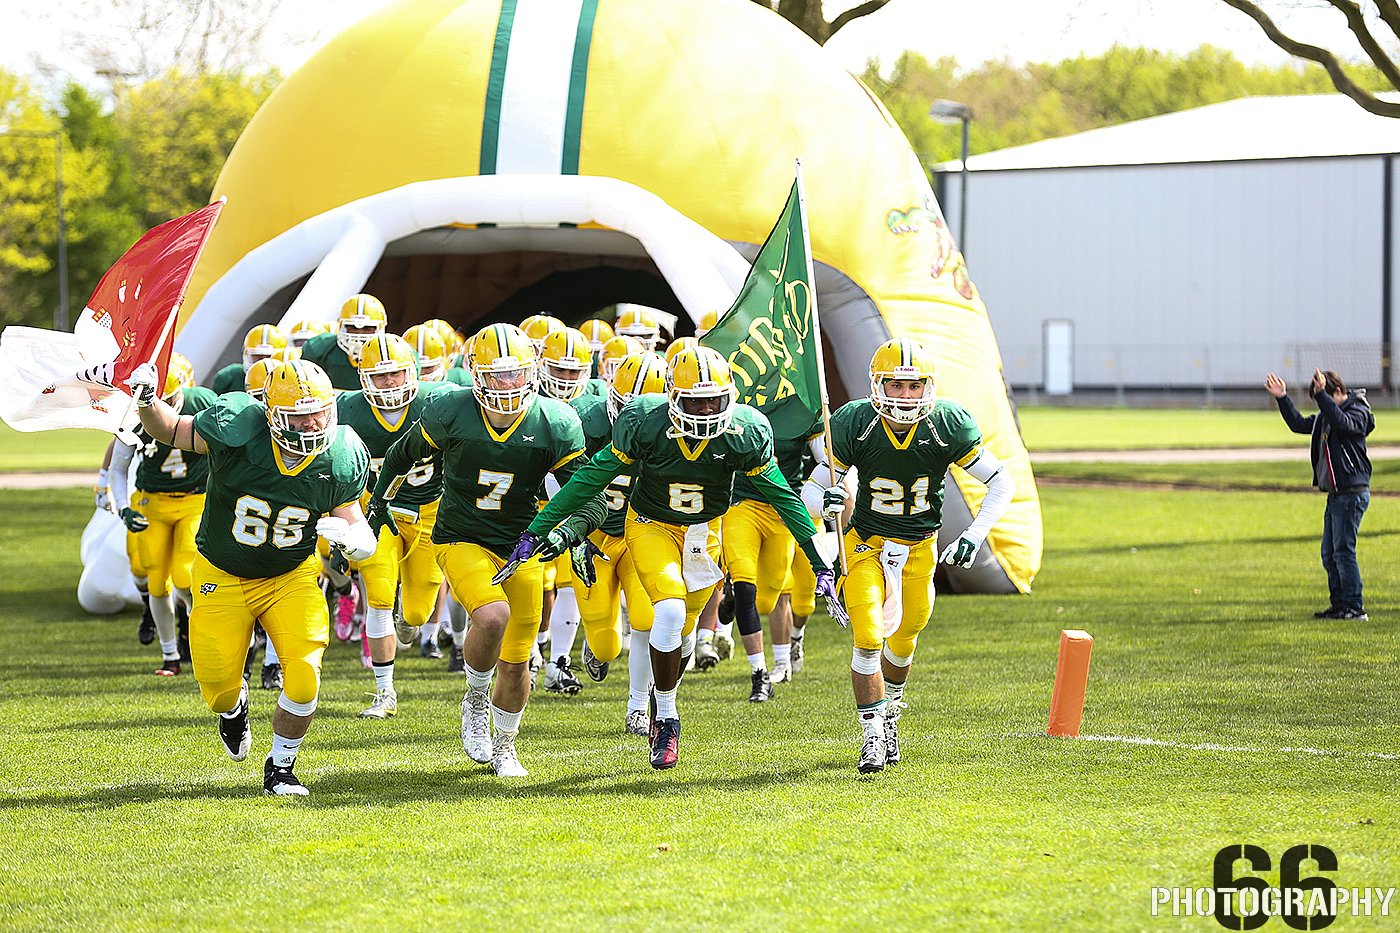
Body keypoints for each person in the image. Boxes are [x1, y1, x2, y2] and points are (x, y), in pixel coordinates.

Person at [506, 345, 843, 770]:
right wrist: (539, 528)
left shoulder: (747, 431)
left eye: (713, 400)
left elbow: (784, 499)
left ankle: (660, 699)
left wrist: (820, 562)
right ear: (671, 397)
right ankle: (666, 718)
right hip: (651, 526)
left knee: (682, 637)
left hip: (705, 533)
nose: (705, 411)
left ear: (729, 397)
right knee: (666, 612)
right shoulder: (645, 421)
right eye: (694, 401)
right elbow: (590, 478)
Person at [366, 323, 604, 778]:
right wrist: (380, 502)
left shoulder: (555, 422)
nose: (509, 385)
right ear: (476, 374)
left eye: (517, 373)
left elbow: (590, 498)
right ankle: (475, 699)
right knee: (493, 616)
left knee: (517, 663)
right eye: (497, 375)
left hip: (522, 544)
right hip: (461, 536)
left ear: (532, 372)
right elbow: (400, 455)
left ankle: (506, 745)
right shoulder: (451, 410)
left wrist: (568, 534)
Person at [126, 357, 373, 796]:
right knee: (218, 689)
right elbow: (171, 430)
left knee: (304, 677)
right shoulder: (240, 427)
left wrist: (356, 544)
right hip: (223, 573)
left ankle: (281, 766)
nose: (313, 424)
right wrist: (147, 402)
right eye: (299, 416)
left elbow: (356, 524)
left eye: (320, 412)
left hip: (290, 576)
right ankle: (233, 707)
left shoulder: (340, 453)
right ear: (272, 415)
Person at [822, 338, 1013, 774]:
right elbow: (814, 488)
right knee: (869, 637)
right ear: (878, 385)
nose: (906, 395)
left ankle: (890, 714)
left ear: (929, 386)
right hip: (866, 546)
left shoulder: (947, 423)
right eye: (896, 384)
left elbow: (1001, 482)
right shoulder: (857, 422)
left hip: (919, 550)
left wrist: (974, 535)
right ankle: (872, 736)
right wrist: (825, 500)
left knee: (906, 638)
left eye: (914, 385)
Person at [338, 333, 453, 718]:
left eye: (396, 373)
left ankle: (409, 623)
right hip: (377, 511)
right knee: (380, 598)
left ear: (412, 372)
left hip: (429, 512)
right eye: (379, 375)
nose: (389, 382)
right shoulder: (348, 409)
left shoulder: (437, 401)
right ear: (364, 377)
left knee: (417, 614)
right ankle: (384, 692)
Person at [109, 352, 214, 675]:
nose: (161, 406)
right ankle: (170, 656)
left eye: (168, 398)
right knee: (156, 581)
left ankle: (199, 644)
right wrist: (123, 508)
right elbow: (118, 468)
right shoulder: (133, 413)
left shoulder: (202, 403)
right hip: (152, 501)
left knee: (184, 576)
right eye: (157, 398)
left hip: (194, 499)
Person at [1266, 368, 1374, 621]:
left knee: (1343, 552)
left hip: (1351, 493)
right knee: (1329, 554)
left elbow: (1343, 423)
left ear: (1337, 392)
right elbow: (1299, 424)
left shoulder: (1358, 411)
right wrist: (1282, 397)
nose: (1321, 405)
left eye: (1323, 397)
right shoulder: (1327, 416)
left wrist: (1322, 396)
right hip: (1336, 495)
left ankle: (1355, 607)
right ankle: (1339, 605)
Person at [300, 294, 388, 391]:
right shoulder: (319, 348)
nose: (359, 334)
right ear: (341, 325)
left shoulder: (391, 351)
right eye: (352, 327)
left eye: (367, 328)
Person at [210, 324, 288, 394]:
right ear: (247, 355)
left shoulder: (289, 380)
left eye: (269, 357)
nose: (263, 363)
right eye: (258, 357)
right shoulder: (230, 377)